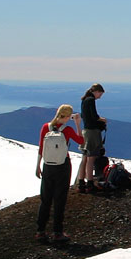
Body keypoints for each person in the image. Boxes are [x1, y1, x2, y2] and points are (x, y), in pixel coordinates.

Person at [36, 105, 85, 243]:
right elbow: (81, 141)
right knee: (60, 199)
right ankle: (57, 232)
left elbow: (41, 147)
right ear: (68, 116)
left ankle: (40, 231)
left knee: (45, 199)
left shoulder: (46, 127)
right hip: (62, 166)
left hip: (48, 166)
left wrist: (38, 165)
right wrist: (77, 123)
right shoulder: (67, 129)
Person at [78, 84, 107, 193]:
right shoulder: (91, 100)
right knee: (92, 157)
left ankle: (81, 183)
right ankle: (90, 183)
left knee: (84, 157)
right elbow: (94, 116)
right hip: (92, 132)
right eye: (100, 93)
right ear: (96, 91)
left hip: (85, 130)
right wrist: (102, 120)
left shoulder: (84, 100)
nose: (100, 96)